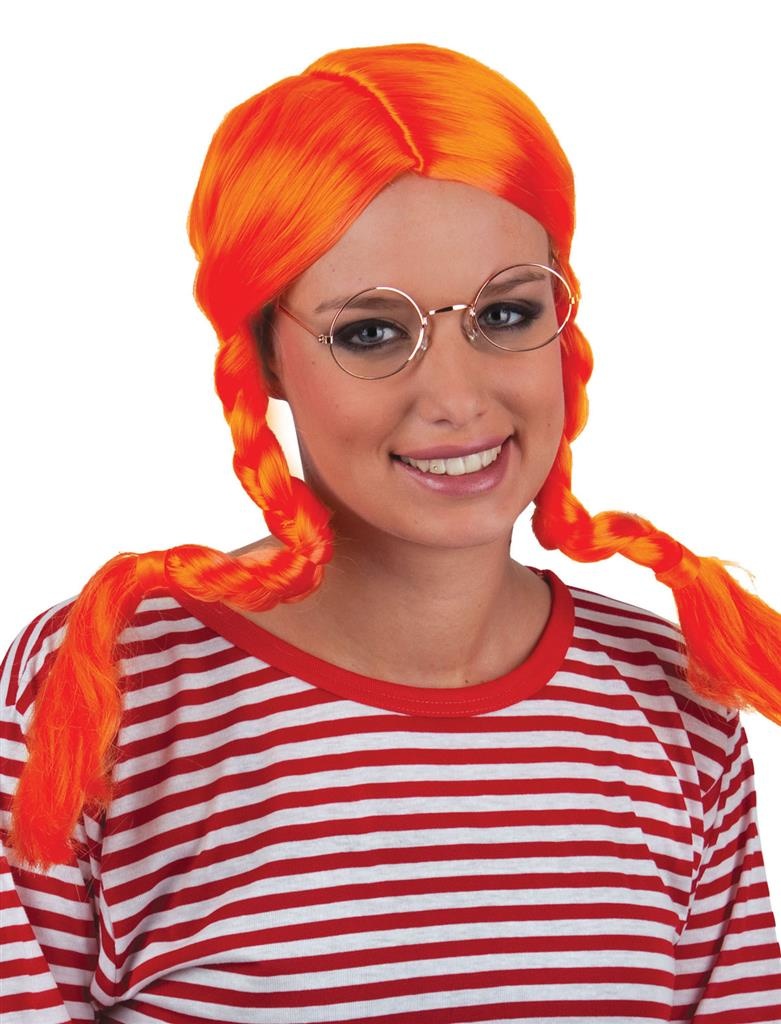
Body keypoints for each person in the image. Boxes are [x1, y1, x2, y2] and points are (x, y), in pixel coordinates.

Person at [2, 40, 780, 1024]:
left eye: (505, 313)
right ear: (263, 355)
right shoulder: (105, 688)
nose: (455, 396)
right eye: (370, 331)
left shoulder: (673, 703)